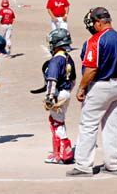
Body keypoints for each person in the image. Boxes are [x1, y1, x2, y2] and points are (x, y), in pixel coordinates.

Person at [66, 7, 117, 177]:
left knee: (88, 125)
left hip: (99, 86)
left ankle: (83, 166)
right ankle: (113, 165)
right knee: (113, 126)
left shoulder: (95, 41)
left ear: (98, 22)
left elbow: (91, 69)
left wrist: (82, 87)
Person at [43, 28, 76, 164]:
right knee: (58, 121)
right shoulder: (69, 58)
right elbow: (73, 79)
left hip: (58, 94)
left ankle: (63, 155)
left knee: (56, 123)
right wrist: (67, 94)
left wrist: (50, 97)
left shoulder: (56, 60)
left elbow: (52, 79)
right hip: (66, 92)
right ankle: (58, 152)